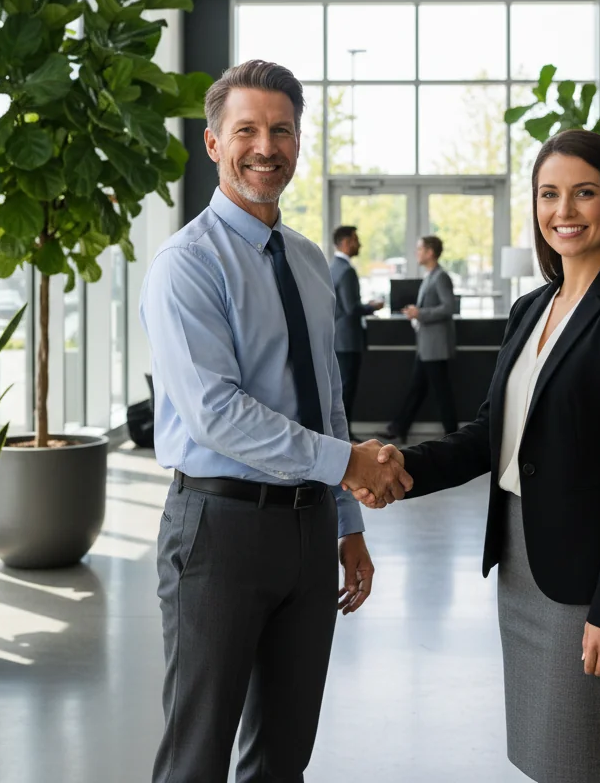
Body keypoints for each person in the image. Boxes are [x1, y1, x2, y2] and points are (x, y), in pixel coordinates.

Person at [351, 129, 600, 783]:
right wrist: (400, 471)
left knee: (579, 761)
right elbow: (489, 435)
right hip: (524, 564)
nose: (564, 210)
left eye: (584, 193)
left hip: (586, 579)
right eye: (549, 194)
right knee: (541, 755)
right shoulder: (532, 309)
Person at [140, 59, 412, 783]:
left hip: (307, 527)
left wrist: (348, 526)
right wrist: (349, 465)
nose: (267, 147)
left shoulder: (308, 259)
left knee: (283, 754)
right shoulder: (186, 265)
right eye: (247, 130)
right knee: (197, 754)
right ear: (212, 143)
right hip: (220, 529)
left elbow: (325, 398)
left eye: (282, 130)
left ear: (299, 141)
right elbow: (216, 414)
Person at [380, 235, 459, 443]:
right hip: (427, 346)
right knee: (417, 388)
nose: (417, 253)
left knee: (441, 392)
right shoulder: (430, 275)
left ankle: (453, 434)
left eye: (419, 249)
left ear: (430, 252)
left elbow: (449, 307)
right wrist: (416, 312)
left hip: (435, 347)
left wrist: (420, 313)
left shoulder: (440, 276)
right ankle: (400, 427)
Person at [330, 225, 384, 439]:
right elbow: (352, 308)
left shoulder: (332, 266)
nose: (359, 244)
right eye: (355, 239)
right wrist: (372, 307)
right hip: (348, 339)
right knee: (346, 389)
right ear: (345, 242)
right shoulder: (346, 270)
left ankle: (343, 434)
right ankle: (345, 435)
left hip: (337, 338)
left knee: (341, 389)